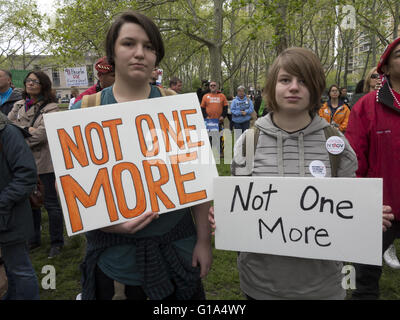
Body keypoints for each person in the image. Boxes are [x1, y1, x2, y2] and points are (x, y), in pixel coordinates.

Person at [208, 47, 393, 300]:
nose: (293, 87)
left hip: (324, 287)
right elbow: (239, 206)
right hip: (259, 285)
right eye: (285, 80)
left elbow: (348, 206)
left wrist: (366, 216)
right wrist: (223, 216)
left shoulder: (337, 144)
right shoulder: (248, 142)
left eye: (303, 81)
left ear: (316, 88)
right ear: (273, 86)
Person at [71, 10, 212, 300]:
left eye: (149, 47)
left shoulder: (178, 107)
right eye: (129, 44)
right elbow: (74, 191)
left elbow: (198, 182)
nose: (139, 53)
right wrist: (108, 223)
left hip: (178, 250)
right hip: (113, 259)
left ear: (156, 56)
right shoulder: (84, 111)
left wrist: (203, 241)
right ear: (112, 51)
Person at [345, 37, 400, 300]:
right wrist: (362, 205)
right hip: (380, 209)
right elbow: (354, 162)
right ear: (386, 68)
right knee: (364, 281)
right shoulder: (366, 106)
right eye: (399, 54)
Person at [8, 71, 65, 259]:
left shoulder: (52, 108)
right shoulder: (18, 105)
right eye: (28, 81)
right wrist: (27, 130)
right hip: (22, 163)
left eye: (35, 81)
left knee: (50, 204)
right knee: (30, 203)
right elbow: (8, 129)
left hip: (44, 163)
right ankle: (34, 239)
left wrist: (20, 132)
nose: (31, 84)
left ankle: (57, 242)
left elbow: (41, 135)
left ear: (43, 85)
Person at [0, 111, 40, 300]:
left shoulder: (8, 133)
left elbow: (26, 174)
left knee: (20, 269)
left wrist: (3, 202)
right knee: (11, 267)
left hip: (10, 215)